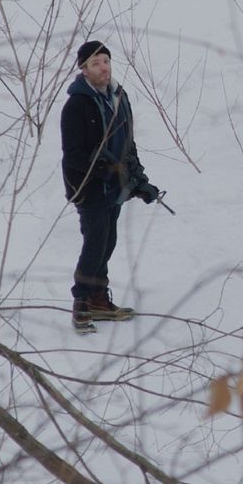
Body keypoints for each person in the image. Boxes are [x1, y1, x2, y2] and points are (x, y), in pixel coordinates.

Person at [60, 40, 160, 334]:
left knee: (108, 242)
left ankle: (98, 300)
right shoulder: (76, 105)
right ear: (84, 69)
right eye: (95, 63)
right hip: (88, 188)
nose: (103, 68)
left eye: (105, 61)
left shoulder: (118, 97)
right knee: (95, 243)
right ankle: (81, 303)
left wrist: (139, 180)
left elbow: (128, 144)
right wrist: (107, 172)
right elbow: (73, 155)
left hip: (113, 187)